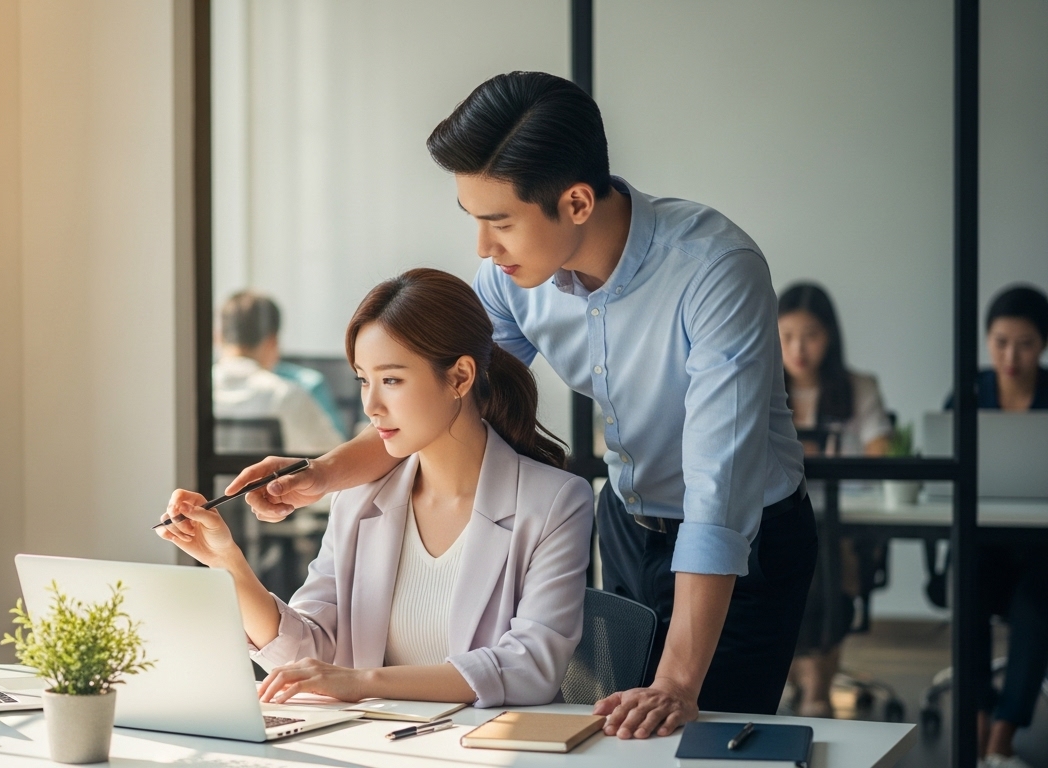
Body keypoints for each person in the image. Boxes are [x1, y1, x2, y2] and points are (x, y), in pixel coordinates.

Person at [226, 72, 816, 739]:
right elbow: (443, 399)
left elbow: (719, 487)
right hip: (630, 525)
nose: (483, 248)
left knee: (702, 737)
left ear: (576, 202)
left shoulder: (714, 270)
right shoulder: (511, 282)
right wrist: (319, 476)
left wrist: (678, 682)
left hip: (746, 535)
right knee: (617, 739)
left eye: (499, 222)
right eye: (474, 220)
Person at [161, 269, 592, 706]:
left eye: (391, 380)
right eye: (364, 381)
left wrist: (364, 682)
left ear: (460, 377)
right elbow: (310, 652)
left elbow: (529, 667)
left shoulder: (555, 502)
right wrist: (228, 564)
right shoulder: (360, 499)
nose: (371, 404)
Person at [777, 282, 893, 718]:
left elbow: (879, 452)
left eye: (810, 335)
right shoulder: (761, 383)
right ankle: (809, 687)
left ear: (830, 336)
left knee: (823, 556)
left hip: (845, 523)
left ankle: (815, 689)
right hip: (779, 517)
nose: (798, 348)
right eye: (786, 336)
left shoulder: (858, 387)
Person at [958, 285, 1048, 768]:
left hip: (1041, 550)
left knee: (1038, 601)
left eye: (1026, 343)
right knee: (967, 585)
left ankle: (1003, 735)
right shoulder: (968, 392)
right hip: (984, 545)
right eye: (1000, 341)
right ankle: (974, 718)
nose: (1011, 355)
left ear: (1045, 344)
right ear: (987, 340)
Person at [214, 291, 344, 455]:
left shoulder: (193, 395)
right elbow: (334, 457)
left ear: (217, 338)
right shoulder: (286, 395)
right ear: (273, 342)